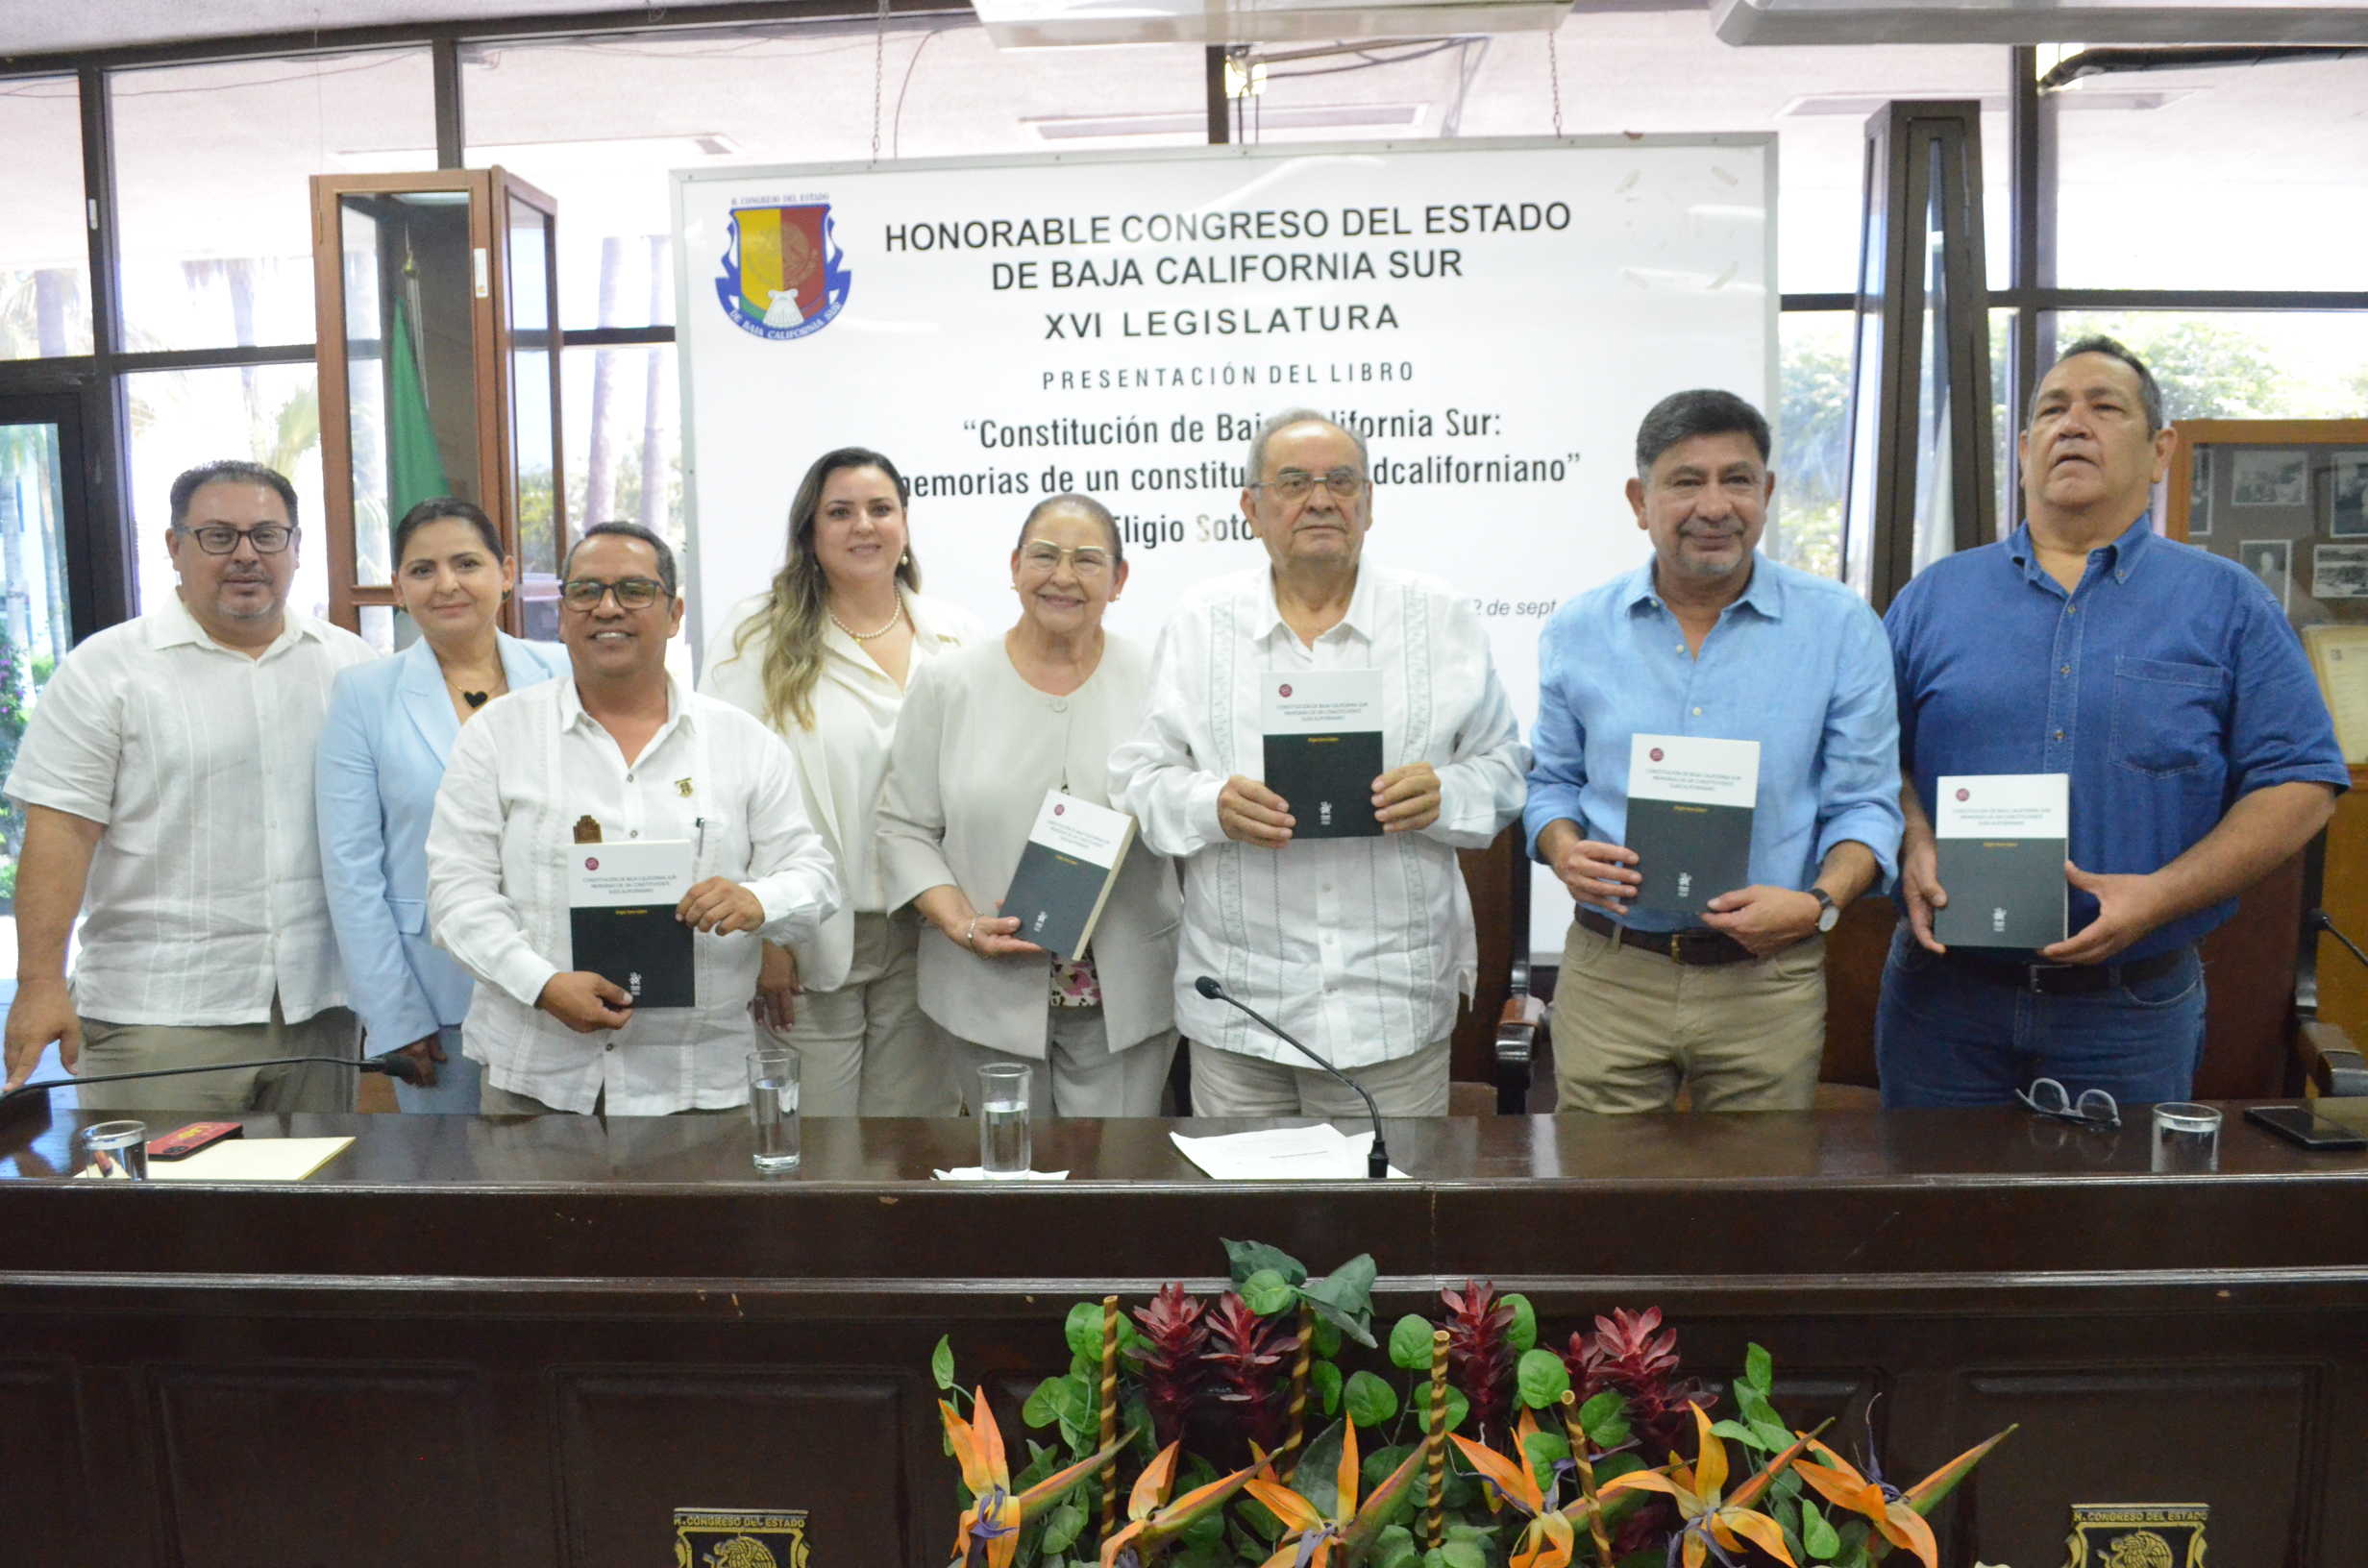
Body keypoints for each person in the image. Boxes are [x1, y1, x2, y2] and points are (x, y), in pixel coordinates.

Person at [1879, 336, 2347, 1107]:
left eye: (2105, 407)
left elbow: (2302, 780)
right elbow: (1870, 758)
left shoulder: (2226, 603)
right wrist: (1913, 834)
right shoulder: (1932, 600)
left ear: (2159, 449)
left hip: (2130, 1008)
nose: (2073, 424)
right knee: (1935, 1223)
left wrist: (2161, 895)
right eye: (2052, 411)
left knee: (2115, 1228)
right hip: (1942, 1002)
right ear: (2025, 449)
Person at [1108, 409, 1526, 1117]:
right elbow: (1139, 779)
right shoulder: (1200, 622)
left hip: (1391, 1008)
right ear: (1252, 508)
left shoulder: (1440, 617)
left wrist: (1447, 794)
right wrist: (1210, 807)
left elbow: (1507, 770)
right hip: (1241, 1005)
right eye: (1294, 482)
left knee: (1383, 1224)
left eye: (1341, 481)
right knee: (1244, 1226)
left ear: (1369, 503)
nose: (1321, 499)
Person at [1525, 390, 1902, 1115]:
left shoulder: (1841, 628)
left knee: (1757, 1210)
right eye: (1685, 481)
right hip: (1613, 972)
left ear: (1767, 493)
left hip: (1767, 978)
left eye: (1736, 479)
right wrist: (1564, 848)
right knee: (1600, 1203)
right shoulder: (1578, 629)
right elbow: (1551, 785)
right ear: (1640, 500)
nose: (1715, 504)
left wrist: (1819, 903)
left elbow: (1867, 804)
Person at [425, 523, 840, 1115]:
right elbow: (456, 894)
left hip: (699, 1085)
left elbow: (814, 876)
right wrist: (541, 986)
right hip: (539, 1080)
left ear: (673, 613)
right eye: (586, 591)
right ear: (563, 613)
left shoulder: (744, 743)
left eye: (634, 590)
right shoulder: (497, 736)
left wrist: (758, 900)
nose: (608, 608)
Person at [3, 460, 375, 1109]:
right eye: (218, 536)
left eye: (267, 535)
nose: (246, 556)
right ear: (175, 547)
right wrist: (39, 983)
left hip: (321, 1014)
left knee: (320, 1209)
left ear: (295, 547)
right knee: (165, 1213)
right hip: (159, 1019)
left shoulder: (351, 666)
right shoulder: (106, 671)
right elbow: (62, 829)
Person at [701, 448, 985, 1115]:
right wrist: (769, 938)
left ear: (905, 525)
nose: (864, 526)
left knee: (911, 1146)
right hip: (807, 938)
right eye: (840, 512)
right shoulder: (757, 636)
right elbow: (723, 792)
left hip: (928, 935)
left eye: (881, 509)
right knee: (815, 1146)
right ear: (810, 532)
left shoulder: (959, 636)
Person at [878, 494, 1181, 1115]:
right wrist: (960, 923)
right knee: (1006, 1186)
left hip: (1127, 992)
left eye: (1088, 561)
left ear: (1119, 580)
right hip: (984, 985)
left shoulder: (1160, 678)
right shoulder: (948, 683)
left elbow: (1187, 807)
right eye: (1044, 556)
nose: (1062, 576)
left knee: (1115, 1186)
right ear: (1015, 566)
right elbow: (902, 826)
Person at [315, 499, 572, 1112]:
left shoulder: (567, 674)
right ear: (399, 588)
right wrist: (392, 1014)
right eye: (423, 570)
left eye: (467, 563)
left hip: (568, 980)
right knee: (454, 1190)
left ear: (506, 573)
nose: (447, 584)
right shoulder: (364, 696)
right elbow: (351, 869)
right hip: (437, 997)